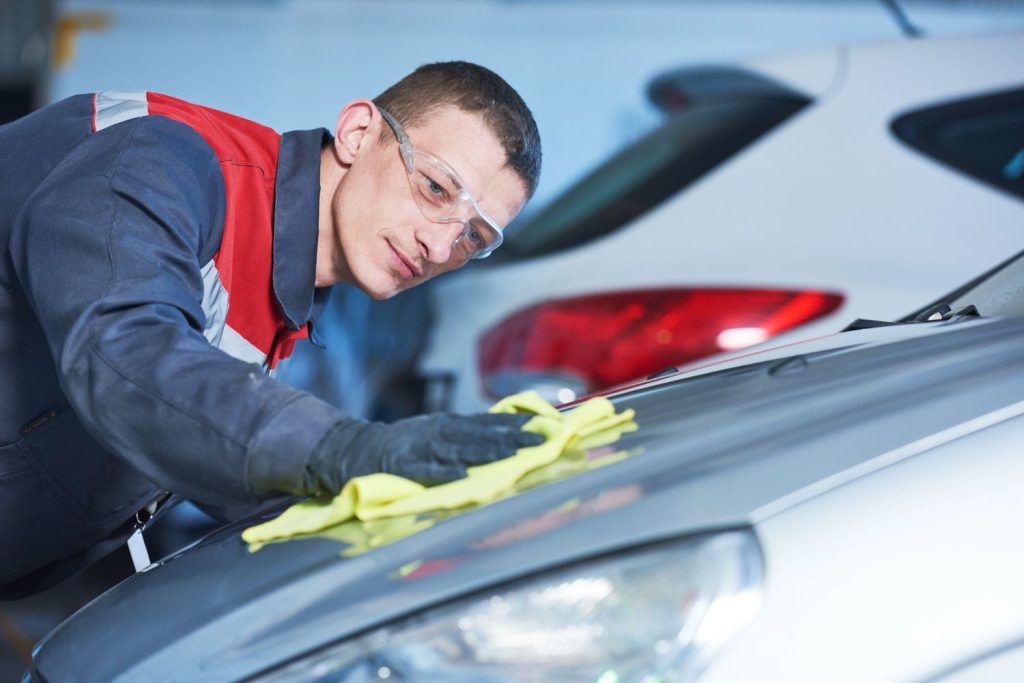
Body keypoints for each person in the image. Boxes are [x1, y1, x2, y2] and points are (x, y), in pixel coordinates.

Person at [0, 61, 543, 597]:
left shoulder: (283, 290)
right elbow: (126, 356)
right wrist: (345, 449)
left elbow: (208, 437)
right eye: (435, 188)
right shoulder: (158, 162)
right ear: (358, 133)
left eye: (473, 236)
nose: (440, 245)